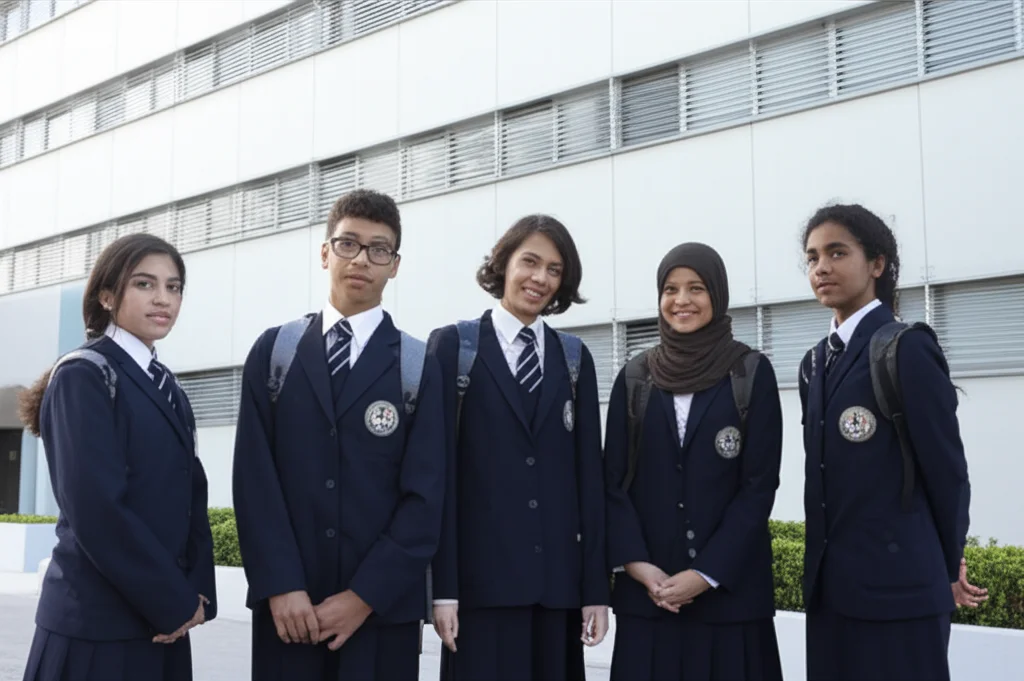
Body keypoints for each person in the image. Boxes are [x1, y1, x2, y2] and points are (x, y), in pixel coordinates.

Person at [232, 189, 445, 681]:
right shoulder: (275, 353)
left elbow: (425, 498)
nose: (361, 260)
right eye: (348, 244)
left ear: (395, 265)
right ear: (325, 252)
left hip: (378, 617)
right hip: (289, 615)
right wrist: (281, 586)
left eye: (379, 249)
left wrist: (363, 597)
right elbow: (254, 482)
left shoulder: (417, 366)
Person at [18, 233, 216, 681]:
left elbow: (191, 493)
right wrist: (173, 601)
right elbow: (96, 510)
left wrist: (196, 595)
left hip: (163, 622)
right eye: (145, 284)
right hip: (97, 625)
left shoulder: (168, 384)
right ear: (107, 295)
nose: (163, 298)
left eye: (174, 286)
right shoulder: (83, 374)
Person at [428, 215, 609, 681]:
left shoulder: (573, 359)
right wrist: (442, 591)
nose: (540, 278)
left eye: (554, 269)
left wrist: (596, 591)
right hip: (480, 591)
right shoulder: (453, 348)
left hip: (557, 593)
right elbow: (438, 479)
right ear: (503, 263)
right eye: (529, 261)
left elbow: (589, 480)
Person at [799, 203, 971, 681]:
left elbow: (948, 472)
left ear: (876, 264)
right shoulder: (815, 363)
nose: (822, 268)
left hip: (901, 596)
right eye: (812, 258)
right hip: (832, 596)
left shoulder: (906, 347)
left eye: (837, 252)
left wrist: (946, 562)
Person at [603, 242, 784, 681]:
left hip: (729, 601)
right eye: (670, 289)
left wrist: (705, 574)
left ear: (717, 295)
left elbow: (759, 486)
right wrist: (637, 566)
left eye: (696, 288)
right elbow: (611, 484)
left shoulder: (750, 373)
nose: (681, 300)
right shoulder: (635, 377)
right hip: (649, 598)